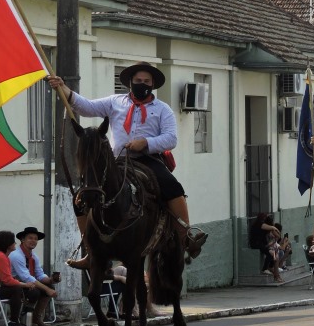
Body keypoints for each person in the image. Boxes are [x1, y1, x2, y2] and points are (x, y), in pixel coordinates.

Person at [47, 63, 208, 265]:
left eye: (147, 82)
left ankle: (186, 237)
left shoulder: (162, 109)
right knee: (81, 197)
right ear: (130, 82)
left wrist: (146, 143)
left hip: (148, 160)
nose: (142, 84)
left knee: (173, 187)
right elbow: (86, 107)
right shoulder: (115, 102)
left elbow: (171, 138)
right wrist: (63, 88)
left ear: (152, 85)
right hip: (118, 161)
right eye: (139, 81)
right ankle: (89, 249)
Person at [8, 226, 59, 326]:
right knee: (36, 291)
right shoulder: (16, 255)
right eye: (30, 238)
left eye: (36, 239)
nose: (34, 241)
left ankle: (36, 318)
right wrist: (47, 289)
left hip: (26, 284)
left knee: (48, 286)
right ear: (22, 239)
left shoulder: (33, 256)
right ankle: (25, 317)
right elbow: (26, 277)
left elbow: (39, 274)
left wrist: (51, 279)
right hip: (14, 286)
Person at [249, 213, 284, 282]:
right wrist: (274, 227)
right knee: (273, 254)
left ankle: (274, 273)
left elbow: (278, 235)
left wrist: (274, 239)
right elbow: (273, 228)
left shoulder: (264, 225)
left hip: (262, 244)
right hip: (257, 244)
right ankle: (268, 270)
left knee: (275, 255)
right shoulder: (260, 224)